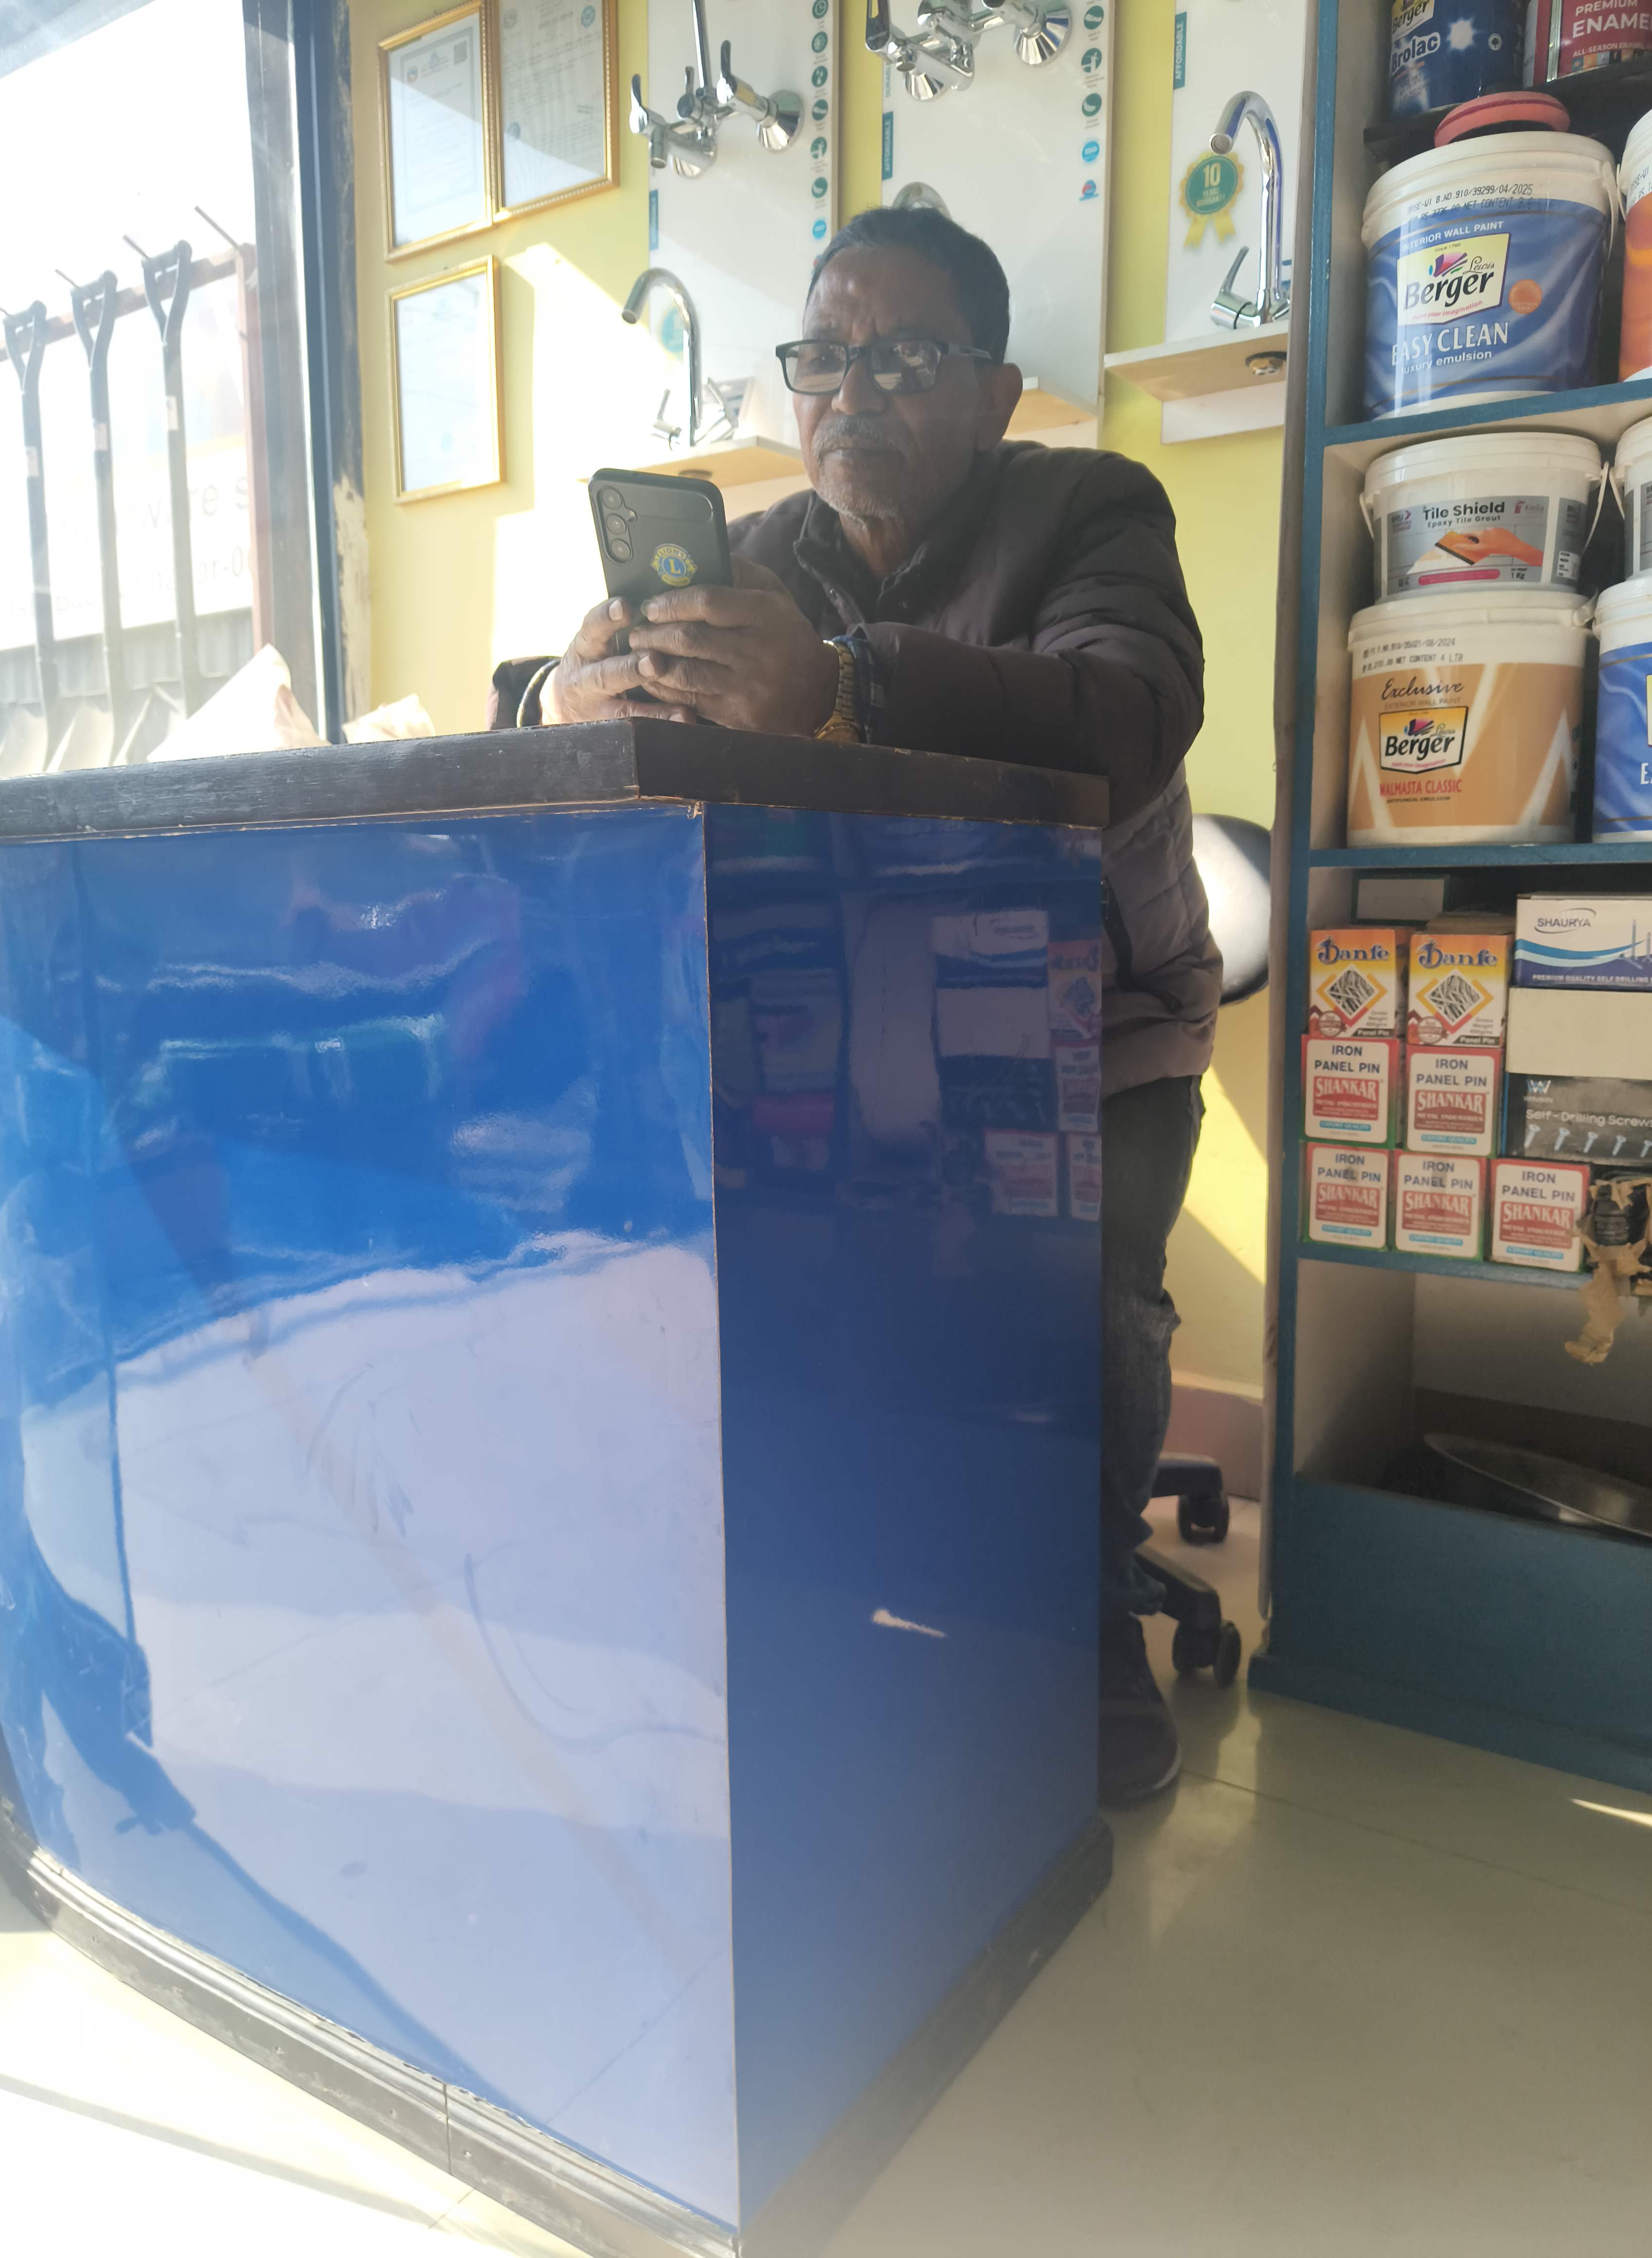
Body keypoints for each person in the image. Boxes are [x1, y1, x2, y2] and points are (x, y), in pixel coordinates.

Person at [490, 206, 1220, 1806]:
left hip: (1090, 1021)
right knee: (767, 1262)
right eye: (823, 357)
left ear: (1000, 391)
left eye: (906, 357)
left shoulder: (1092, 507)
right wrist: (569, 695)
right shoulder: (755, 553)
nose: (851, 392)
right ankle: (816, 1582)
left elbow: (1132, 712)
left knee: (1081, 1286)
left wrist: (843, 687)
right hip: (843, 1007)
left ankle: (1082, 1626)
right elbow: (543, 701)